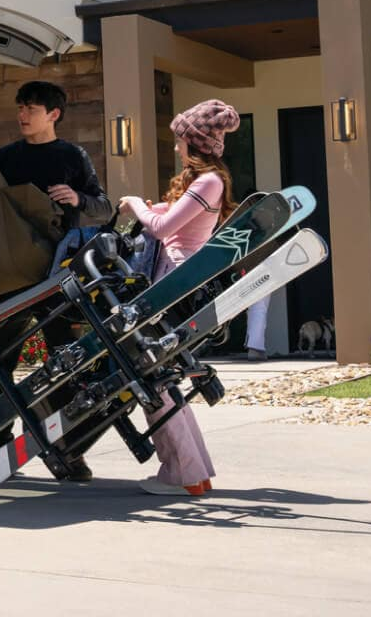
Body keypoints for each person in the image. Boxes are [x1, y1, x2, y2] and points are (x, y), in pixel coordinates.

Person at [0, 80, 114, 480]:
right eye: (20, 107)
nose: (22, 114)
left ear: (53, 114)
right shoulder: (7, 157)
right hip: (12, 276)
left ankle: (68, 451)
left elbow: (103, 207)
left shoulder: (72, 156)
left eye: (31, 108)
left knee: (63, 363)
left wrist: (77, 199)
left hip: (59, 278)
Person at [117, 98, 242, 497]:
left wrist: (134, 205)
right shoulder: (206, 182)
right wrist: (151, 210)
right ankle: (193, 472)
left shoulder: (209, 182)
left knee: (152, 378)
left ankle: (182, 474)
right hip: (173, 283)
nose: (175, 146)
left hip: (173, 287)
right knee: (160, 378)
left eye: (180, 139)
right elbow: (172, 218)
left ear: (195, 142)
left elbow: (161, 228)